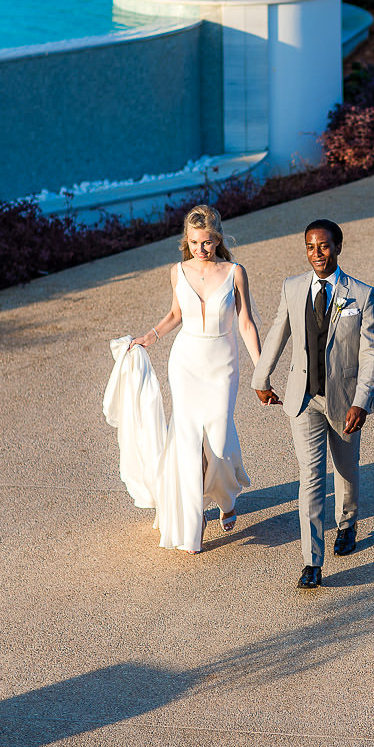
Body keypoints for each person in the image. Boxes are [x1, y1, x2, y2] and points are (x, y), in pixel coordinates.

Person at [252, 218, 374, 589]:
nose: (317, 254)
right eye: (310, 247)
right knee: (310, 476)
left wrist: (362, 399)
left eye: (324, 246)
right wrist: (261, 379)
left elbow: (373, 350)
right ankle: (312, 562)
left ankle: (347, 523)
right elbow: (279, 332)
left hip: (344, 400)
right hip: (303, 399)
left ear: (338, 248)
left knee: (345, 469)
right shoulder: (292, 288)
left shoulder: (361, 294)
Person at [131, 205, 262, 553]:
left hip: (223, 363)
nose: (199, 250)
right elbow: (175, 313)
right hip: (185, 362)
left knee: (218, 439)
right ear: (185, 241)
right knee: (188, 442)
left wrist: (262, 370)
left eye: (206, 243)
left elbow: (246, 324)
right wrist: (149, 337)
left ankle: (226, 496)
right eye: (193, 243)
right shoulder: (178, 271)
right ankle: (194, 516)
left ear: (217, 240)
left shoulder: (235, 272)